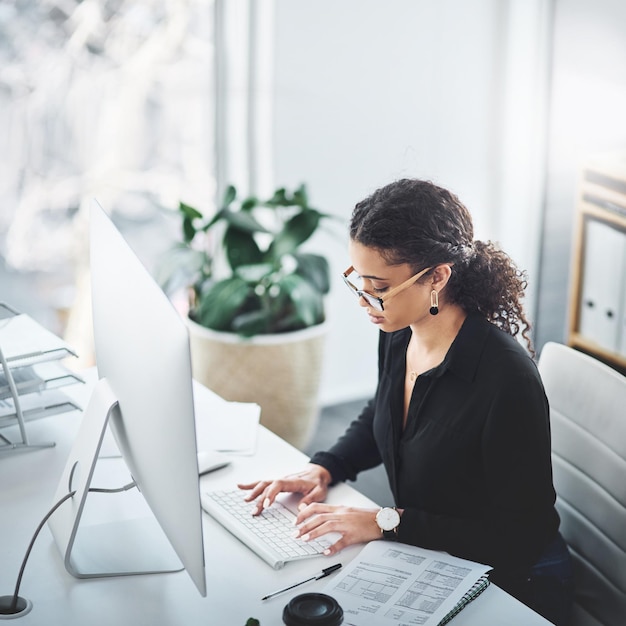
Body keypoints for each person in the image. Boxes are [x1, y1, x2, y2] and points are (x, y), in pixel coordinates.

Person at [238, 179, 573, 625]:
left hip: (513, 582)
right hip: (434, 557)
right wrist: (325, 467)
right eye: (358, 280)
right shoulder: (400, 331)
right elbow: (388, 417)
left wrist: (387, 522)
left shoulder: (505, 381)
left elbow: (521, 537)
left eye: (378, 286)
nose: (365, 301)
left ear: (437, 276)